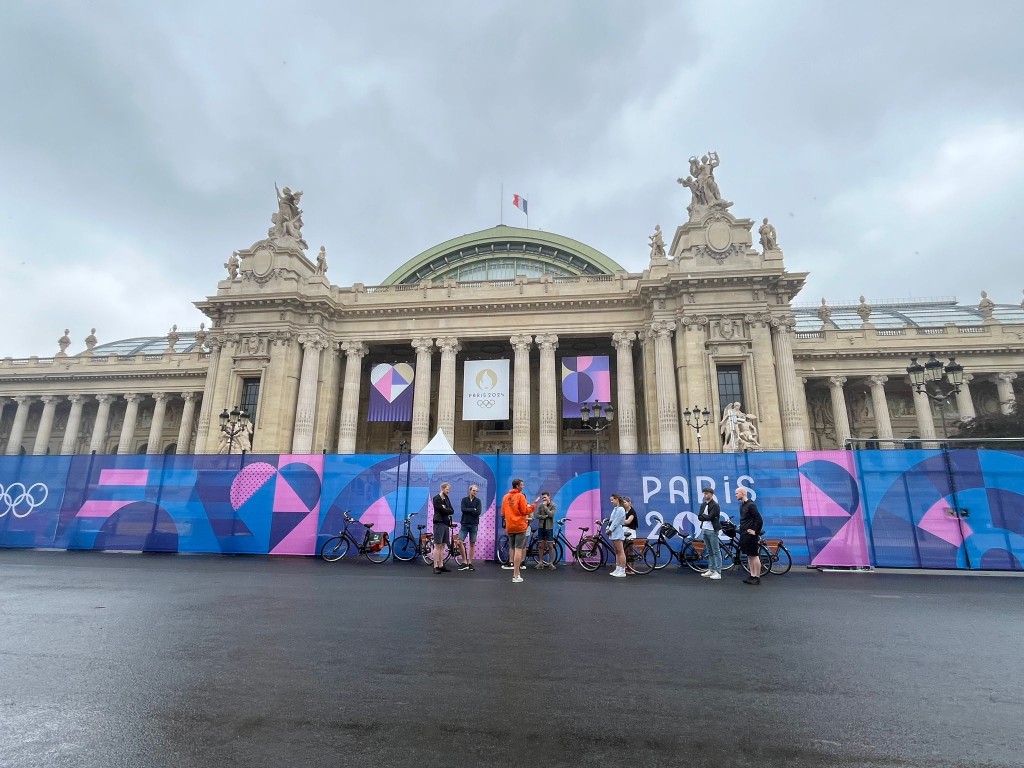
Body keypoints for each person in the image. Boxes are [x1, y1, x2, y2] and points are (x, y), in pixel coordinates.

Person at [501, 478, 537, 583]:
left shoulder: (505, 497)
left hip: (510, 526)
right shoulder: (521, 496)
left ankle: (513, 569)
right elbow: (525, 511)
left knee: (512, 548)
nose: (523, 486)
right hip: (520, 526)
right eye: (522, 485)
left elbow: (503, 513)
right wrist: (534, 505)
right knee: (518, 549)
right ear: (517, 486)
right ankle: (516, 575)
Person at [736, 487, 764, 585]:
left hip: (751, 535)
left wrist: (755, 532)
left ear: (743, 493)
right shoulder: (742, 506)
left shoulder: (751, 505)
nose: (736, 495)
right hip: (744, 534)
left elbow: (759, 519)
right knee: (749, 556)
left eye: (737, 493)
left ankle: (757, 577)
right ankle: (752, 575)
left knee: (754, 555)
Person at [697, 487, 723, 580]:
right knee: (709, 551)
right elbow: (699, 517)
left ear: (711, 494)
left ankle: (718, 571)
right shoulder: (703, 505)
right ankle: (711, 569)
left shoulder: (715, 505)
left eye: (707, 493)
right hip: (704, 529)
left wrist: (705, 516)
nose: (705, 495)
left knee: (716, 551)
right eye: (704, 494)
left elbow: (711, 517)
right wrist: (705, 516)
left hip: (712, 530)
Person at [431, 482, 455, 575]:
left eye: (449, 489)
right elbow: (442, 510)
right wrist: (446, 509)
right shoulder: (436, 498)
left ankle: (441, 565)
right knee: (437, 545)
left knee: (443, 545)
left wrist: (446, 509)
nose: (448, 491)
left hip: (446, 523)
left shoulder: (447, 498)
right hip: (439, 523)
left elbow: (451, 510)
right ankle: (435, 566)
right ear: (442, 488)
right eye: (447, 489)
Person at [459, 484, 482, 571]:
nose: (475, 492)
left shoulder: (478, 501)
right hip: (464, 523)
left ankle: (470, 562)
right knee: (459, 541)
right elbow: (463, 509)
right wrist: (473, 509)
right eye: (473, 490)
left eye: (476, 491)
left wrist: (470, 510)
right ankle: (464, 561)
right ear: (470, 490)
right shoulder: (464, 500)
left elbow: (478, 512)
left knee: (472, 543)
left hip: (474, 524)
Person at [534, 491, 557, 570]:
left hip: (549, 527)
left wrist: (546, 507)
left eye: (545, 497)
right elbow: (537, 515)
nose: (544, 499)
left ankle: (551, 563)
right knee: (540, 545)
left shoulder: (553, 505)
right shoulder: (540, 506)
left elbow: (551, 515)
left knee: (550, 545)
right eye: (543, 498)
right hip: (541, 527)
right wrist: (544, 516)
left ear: (549, 497)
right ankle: (540, 562)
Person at [607, 494, 628, 578]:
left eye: (612, 500)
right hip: (613, 532)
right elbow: (611, 520)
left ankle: (622, 570)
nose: (611, 502)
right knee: (617, 552)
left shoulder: (621, 509)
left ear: (617, 499)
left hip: (618, 532)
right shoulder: (615, 509)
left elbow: (616, 521)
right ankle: (618, 568)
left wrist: (610, 529)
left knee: (621, 551)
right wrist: (608, 528)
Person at [622, 497, 639, 574]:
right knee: (624, 550)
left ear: (629, 502)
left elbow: (628, 522)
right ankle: (626, 567)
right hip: (624, 531)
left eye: (625, 502)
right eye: (623, 502)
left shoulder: (632, 512)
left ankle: (632, 568)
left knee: (630, 550)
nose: (624, 504)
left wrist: (619, 520)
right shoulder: (624, 511)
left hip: (631, 531)